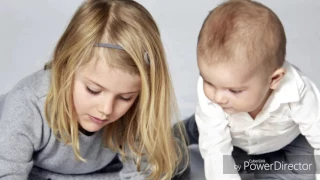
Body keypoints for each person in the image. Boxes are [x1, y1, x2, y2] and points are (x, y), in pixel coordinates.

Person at [0, 0, 188, 179]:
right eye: (93, 90)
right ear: (65, 67)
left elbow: (143, 172)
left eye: (125, 97)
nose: (106, 109)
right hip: (31, 169)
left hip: (98, 171)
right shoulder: (28, 103)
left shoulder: (135, 110)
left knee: (172, 161)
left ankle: (193, 128)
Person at [184, 0, 320, 179]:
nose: (218, 97)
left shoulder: (298, 91)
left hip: (285, 140)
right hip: (233, 138)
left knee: (304, 169)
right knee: (198, 134)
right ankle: (173, 137)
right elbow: (215, 150)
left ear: (274, 79)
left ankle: (265, 169)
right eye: (208, 82)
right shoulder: (214, 97)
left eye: (234, 90)